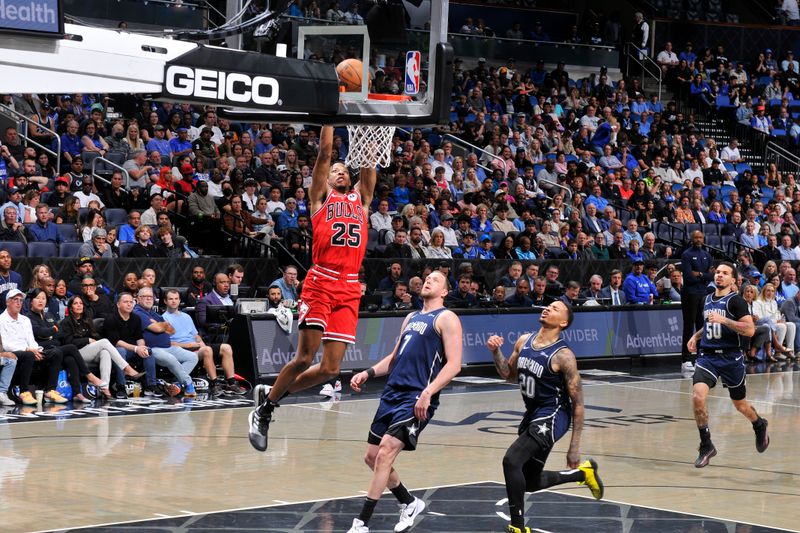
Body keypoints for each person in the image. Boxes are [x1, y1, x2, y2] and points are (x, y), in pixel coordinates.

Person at [249, 125, 376, 452]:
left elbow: (369, 163)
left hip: (349, 286)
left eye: (344, 170)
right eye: (335, 170)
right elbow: (323, 153)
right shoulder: (321, 199)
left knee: (332, 368)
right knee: (305, 357)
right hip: (320, 281)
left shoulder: (362, 202)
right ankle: (265, 410)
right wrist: (329, 118)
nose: (340, 173)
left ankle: (274, 394)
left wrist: (371, 128)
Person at [346, 271, 463, 533]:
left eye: (435, 280)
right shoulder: (411, 317)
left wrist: (428, 392)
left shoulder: (446, 318)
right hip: (392, 392)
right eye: (427, 278)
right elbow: (395, 356)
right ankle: (408, 502)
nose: (428, 281)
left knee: (386, 451)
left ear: (444, 291)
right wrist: (368, 372)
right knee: (372, 456)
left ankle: (361, 523)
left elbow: (454, 365)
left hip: (417, 396)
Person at [486, 301, 603, 533]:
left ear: (563, 322)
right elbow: (509, 375)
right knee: (529, 481)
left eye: (555, 308)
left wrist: (574, 448)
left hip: (554, 415)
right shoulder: (524, 341)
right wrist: (495, 351)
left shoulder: (564, 356)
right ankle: (583, 473)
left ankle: (518, 527)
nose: (547, 308)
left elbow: (578, 403)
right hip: (532, 413)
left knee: (511, 460)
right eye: (548, 305)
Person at [686, 261, 769, 468]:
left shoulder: (736, 302)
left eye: (725, 273)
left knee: (740, 405)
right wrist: (695, 337)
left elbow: (750, 330)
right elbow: (709, 325)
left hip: (731, 358)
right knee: (698, 396)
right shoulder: (707, 299)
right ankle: (706, 445)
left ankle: (759, 424)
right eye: (717, 272)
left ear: (733, 280)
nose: (719, 276)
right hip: (708, 358)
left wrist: (725, 321)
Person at [162, 289, 241, 396]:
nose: (174, 301)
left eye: (176, 299)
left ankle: (231, 384)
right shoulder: (163, 318)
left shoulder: (186, 316)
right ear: (165, 301)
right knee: (207, 350)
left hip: (197, 347)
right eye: (171, 299)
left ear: (180, 300)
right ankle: (214, 384)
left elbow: (196, 336)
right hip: (182, 350)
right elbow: (167, 343)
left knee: (226, 347)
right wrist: (190, 345)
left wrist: (201, 343)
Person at [134, 287, 198, 396]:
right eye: (145, 297)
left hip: (168, 347)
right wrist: (161, 325)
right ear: (138, 299)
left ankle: (176, 384)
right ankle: (188, 384)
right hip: (153, 349)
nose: (149, 299)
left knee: (192, 357)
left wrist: (158, 324)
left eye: (151, 297)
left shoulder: (153, 313)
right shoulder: (138, 312)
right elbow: (157, 329)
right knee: (171, 359)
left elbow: (172, 331)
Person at [681, 230, 714, 372]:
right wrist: (704, 276)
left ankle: (701, 357)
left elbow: (711, 276)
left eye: (701, 237)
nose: (699, 239)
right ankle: (686, 359)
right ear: (692, 239)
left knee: (702, 326)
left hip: (703, 294)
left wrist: (700, 274)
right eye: (696, 237)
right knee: (689, 326)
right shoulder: (687, 254)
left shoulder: (707, 255)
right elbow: (688, 277)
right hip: (690, 294)